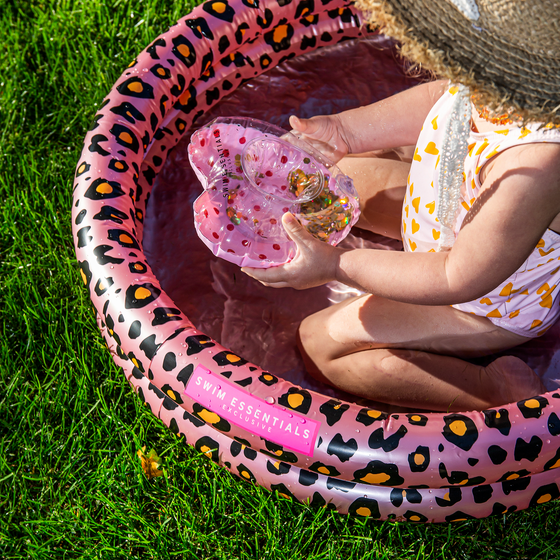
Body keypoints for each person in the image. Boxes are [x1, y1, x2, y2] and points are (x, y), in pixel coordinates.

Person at [241, 0, 560, 411]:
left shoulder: (537, 166)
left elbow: (455, 276)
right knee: (329, 184)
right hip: (447, 219)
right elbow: (442, 99)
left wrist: (335, 265)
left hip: (483, 301)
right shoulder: (503, 85)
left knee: (322, 344)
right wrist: (344, 133)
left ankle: (490, 391)